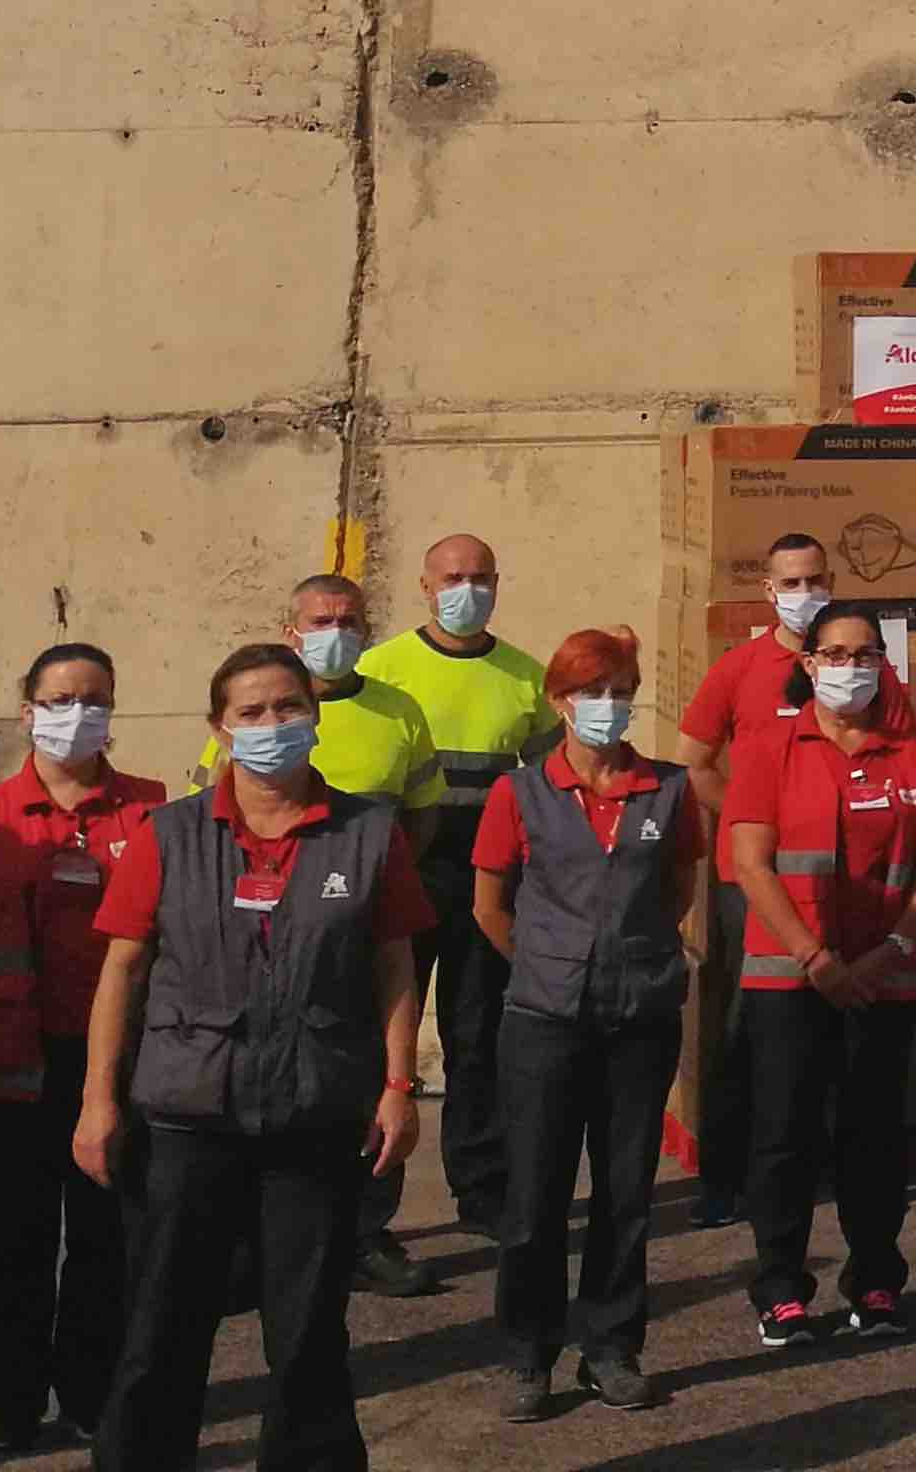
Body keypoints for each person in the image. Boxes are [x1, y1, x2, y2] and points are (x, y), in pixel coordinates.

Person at [78, 643, 437, 1472]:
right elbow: (121, 970)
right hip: (186, 1116)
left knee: (308, 1332)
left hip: (313, 1113)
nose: (272, 726)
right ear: (220, 728)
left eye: (287, 708)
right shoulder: (167, 835)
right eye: (251, 713)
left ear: (314, 717)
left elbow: (393, 965)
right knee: (162, 1327)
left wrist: (397, 1085)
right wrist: (100, 1102)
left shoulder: (369, 834)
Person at [0, 642, 166, 1451]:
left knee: (108, 1241)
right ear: (27, 709)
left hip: (116, 1069)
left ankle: (94, 1393)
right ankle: (13, 1403)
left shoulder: (151, 811)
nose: (78, 714)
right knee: (11, 1242)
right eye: (60, 699)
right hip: (9, 1062)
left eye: (94, 698)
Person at [469, 629, 699, 1421]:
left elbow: (677, 884)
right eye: (591, 692)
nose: (608, 706)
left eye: (621, 690)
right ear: (560, 702)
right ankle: (528, 1354)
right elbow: (489, 904)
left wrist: (636, 957)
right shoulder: (520, 794)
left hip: (640, 1017)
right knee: (534, 1196)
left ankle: (612, 1346)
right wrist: (546, 962)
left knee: (626, 1190)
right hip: (544, 1019)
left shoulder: (666, 790)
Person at [206, 575, 448, 1291]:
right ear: (293, 629)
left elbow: (424, 812)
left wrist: (374, 880)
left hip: (354, 922)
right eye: (320, 619)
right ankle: (249, 1245)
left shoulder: (399, 711)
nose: (333, 630)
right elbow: (204, 809)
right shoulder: (245, 720)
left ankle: (368, 1232)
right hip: (259, 931)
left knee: (374, 1075)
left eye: (348, 619)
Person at [727, 601, 916, 1348]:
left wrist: (891, 948)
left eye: (864, 655)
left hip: (885, 976)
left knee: (875, 1133)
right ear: (808, 662)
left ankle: (878, 1278)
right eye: (834, 653)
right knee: (786, 1132)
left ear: (884, 663)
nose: (849, 668)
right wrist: (816, 959)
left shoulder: (913, 755)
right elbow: (749, 863)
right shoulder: (769, 746)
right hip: (790, 978)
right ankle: (781, 1286)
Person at [674, 534, 913, 1230]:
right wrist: (758, 825)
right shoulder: (740, 668)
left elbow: (906, 760)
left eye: (814, 579)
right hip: (751, 882)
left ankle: (831, 1171)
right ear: (768, 591)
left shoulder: (874, 676)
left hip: (852, 887)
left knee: (846, 1032)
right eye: (790, 581)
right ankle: (727, 1181)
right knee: (745, 1034)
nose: (803, 591)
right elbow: (692, 764)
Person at [353, 535, 558, 1254]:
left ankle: (483, 1189)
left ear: (498, 584)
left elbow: (549, 780)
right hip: (402, 865)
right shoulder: (380, 668)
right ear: (423, 584)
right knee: (385, 1038)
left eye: (479, 578)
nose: (465, 589)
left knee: (479, 1035)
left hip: (488, 876)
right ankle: (367, 1214)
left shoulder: (525, 676)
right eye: (451, 577)